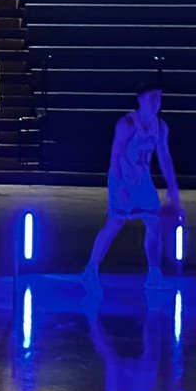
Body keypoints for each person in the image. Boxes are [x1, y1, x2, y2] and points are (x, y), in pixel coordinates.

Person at [81, 81, 182, 292]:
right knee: (114, 224)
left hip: (143, 181)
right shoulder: (127, 123)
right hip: (122, 179)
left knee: (154, 224)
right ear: (140, 99)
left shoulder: (160, 126)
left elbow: (164, 157)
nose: (155, 102)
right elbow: (115, 157)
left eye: (158, 97)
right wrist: (119, 188)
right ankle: (90, 270)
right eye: (151, 97)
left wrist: (172, 186)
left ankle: (154, 274)